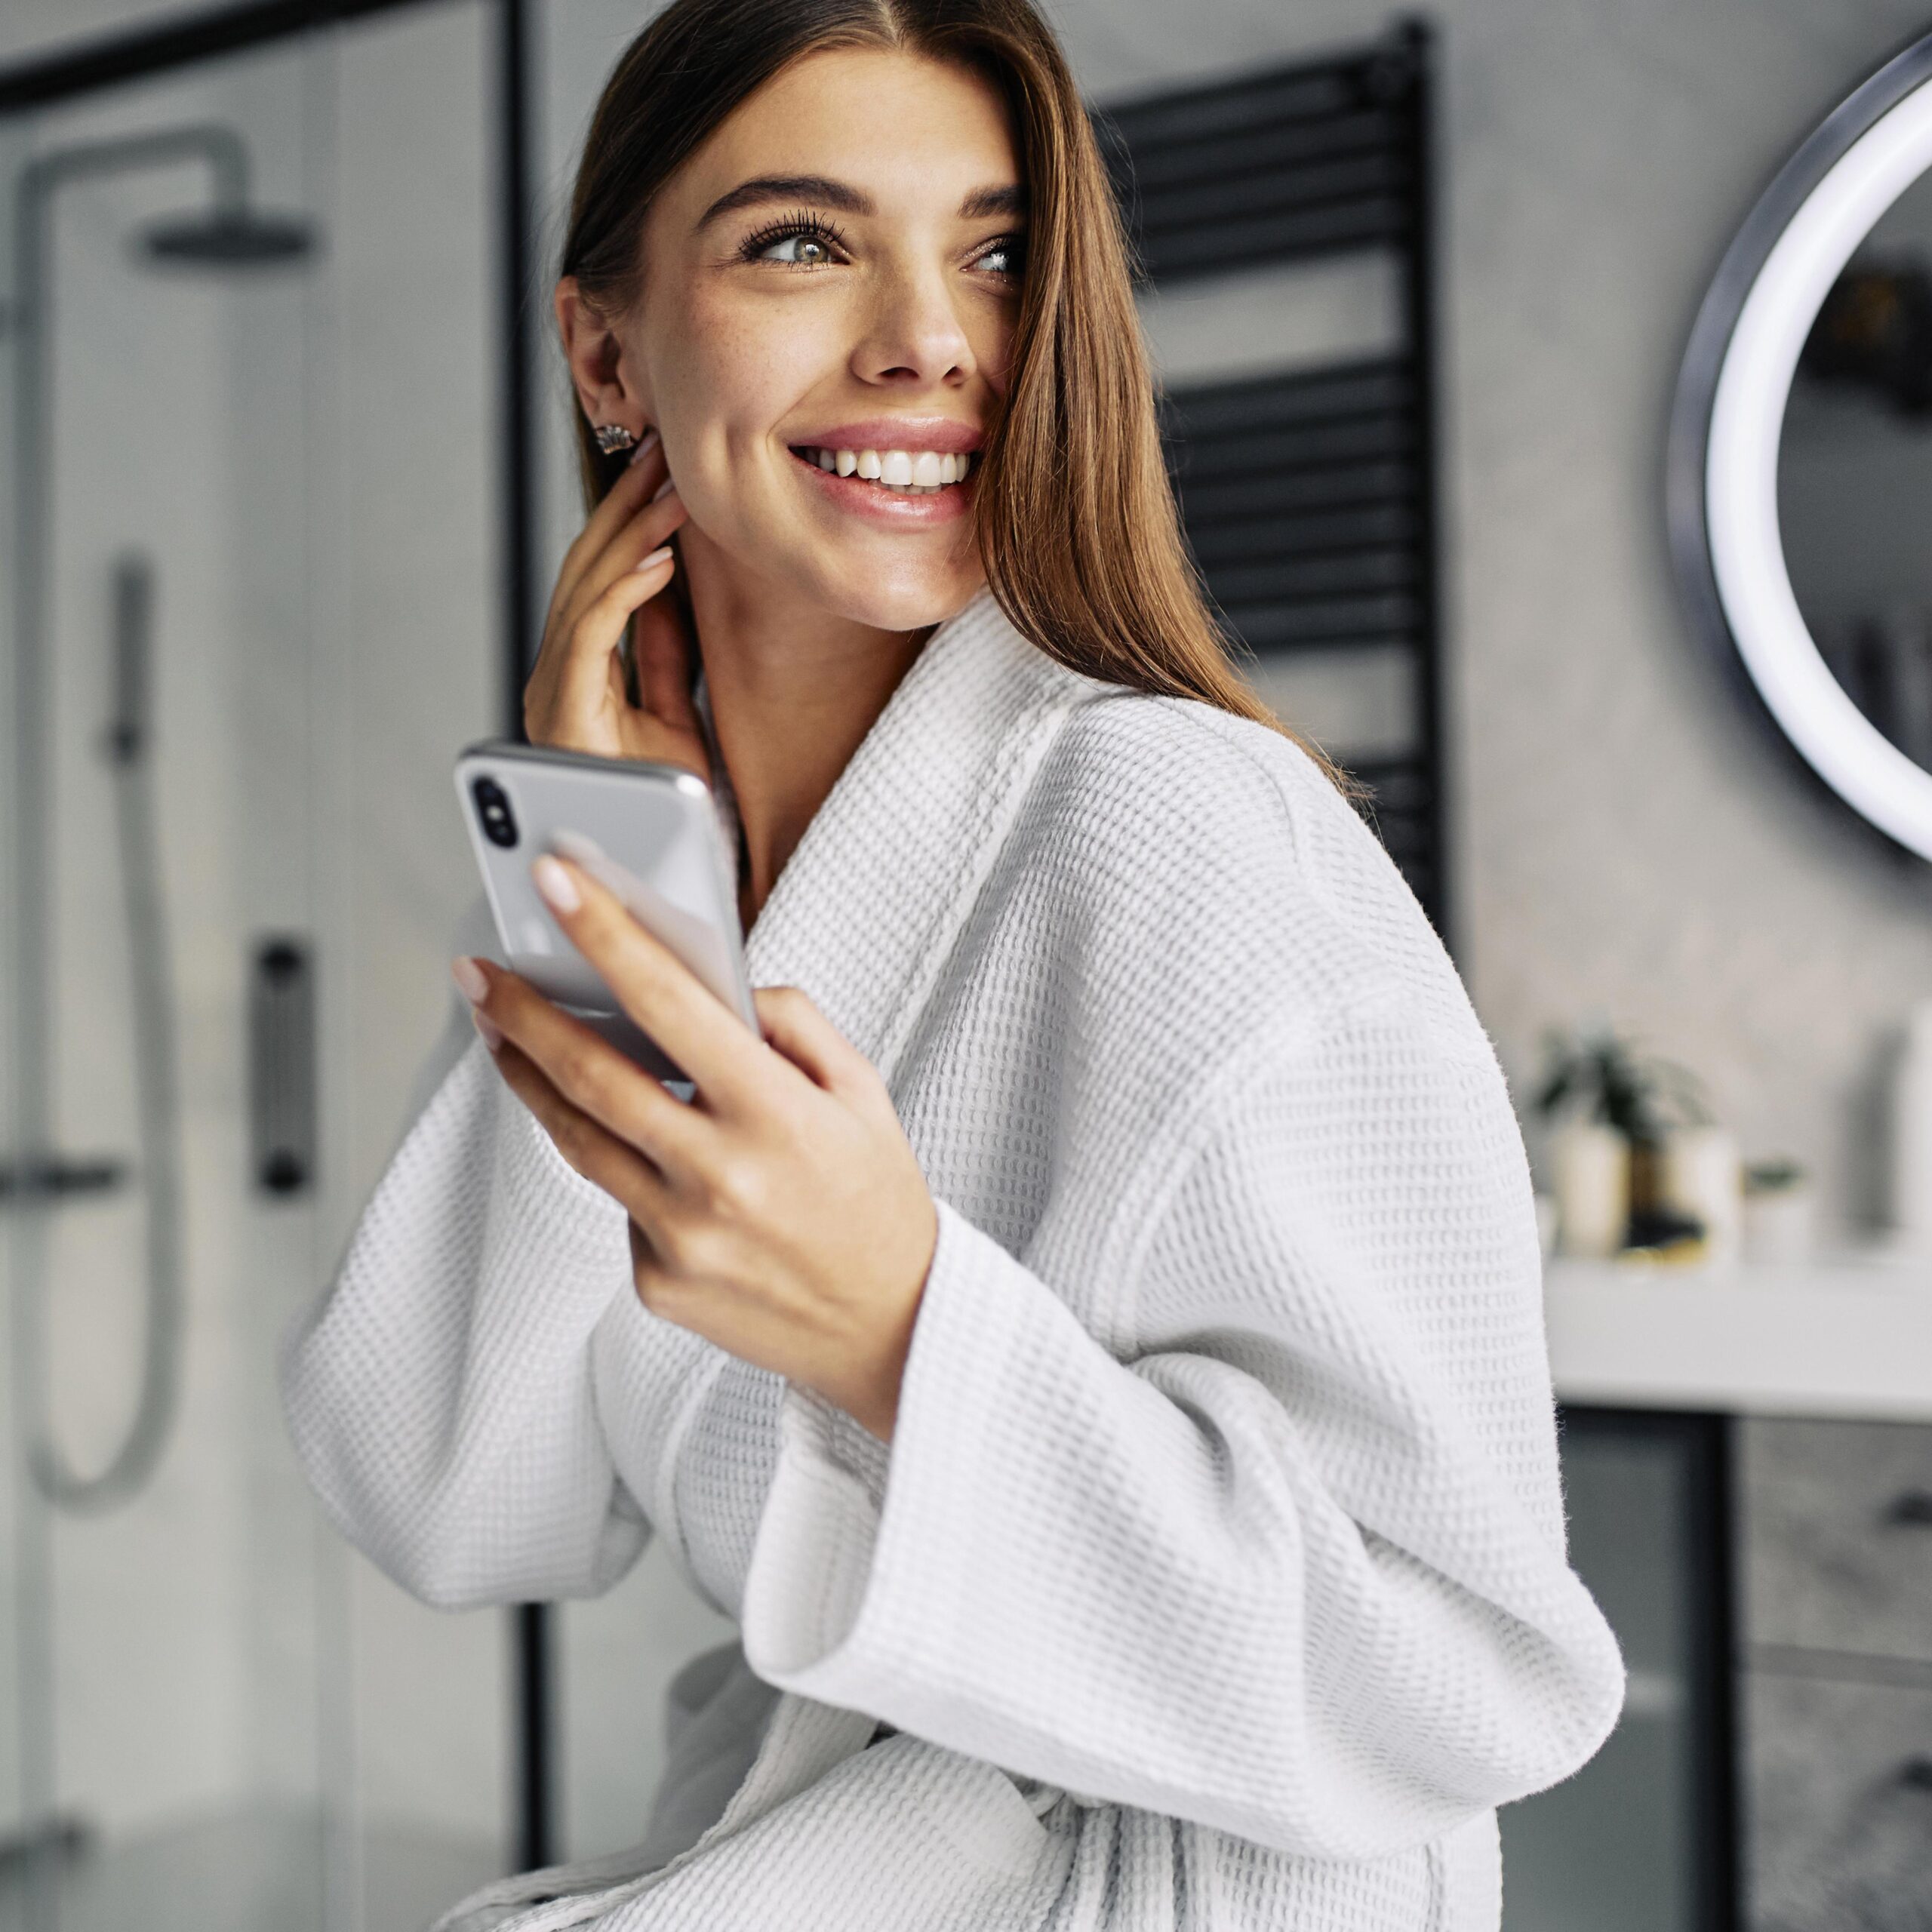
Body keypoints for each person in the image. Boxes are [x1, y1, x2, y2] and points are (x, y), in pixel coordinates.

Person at [279, 2, 1626, 1927]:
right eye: (802, 241)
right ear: (604, 351)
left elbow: (1464, 1666)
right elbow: (447, 1494)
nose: (930, 336)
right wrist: (599, 896)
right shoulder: (673, 874)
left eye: (996, 254)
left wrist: (893, 1325)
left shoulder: (1178, 822)